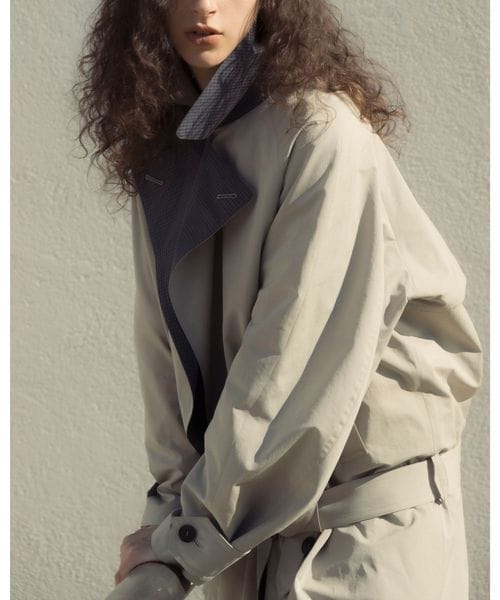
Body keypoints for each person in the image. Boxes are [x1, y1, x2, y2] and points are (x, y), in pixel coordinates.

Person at [73, 1, 483, 599]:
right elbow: (165, 354)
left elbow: (292, 362)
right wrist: (169, 520)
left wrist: (183, 542)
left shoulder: (320, 133)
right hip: (244, 536)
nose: (204, 6)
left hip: (364, 538)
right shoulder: (163, 145)